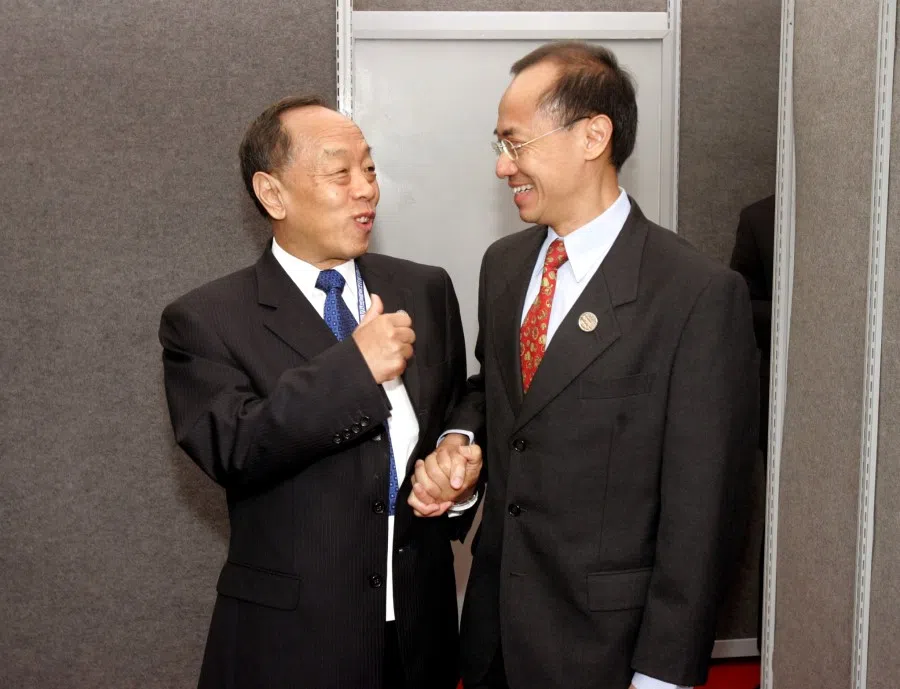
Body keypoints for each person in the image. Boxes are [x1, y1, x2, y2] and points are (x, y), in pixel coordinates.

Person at [411, 42, 759, 689]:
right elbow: (499, 391)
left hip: (608, 649)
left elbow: (705, 507)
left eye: (515, 144)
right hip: (493, 637)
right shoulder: (506, 266)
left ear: (593, 135)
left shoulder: (694, 294)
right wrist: (459, 441)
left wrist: (663, 672)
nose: (501, 166)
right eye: (499, 144)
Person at [158, 95, 481, 689]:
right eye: (340, 172)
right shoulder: (206, 319)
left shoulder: (425, 288)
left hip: (419, 637)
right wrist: (355, 369)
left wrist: (458, 459)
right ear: (272, 194)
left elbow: (461, 400)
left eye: (371, 168)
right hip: (291, 645)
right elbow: (235, 447)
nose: (366, 189)